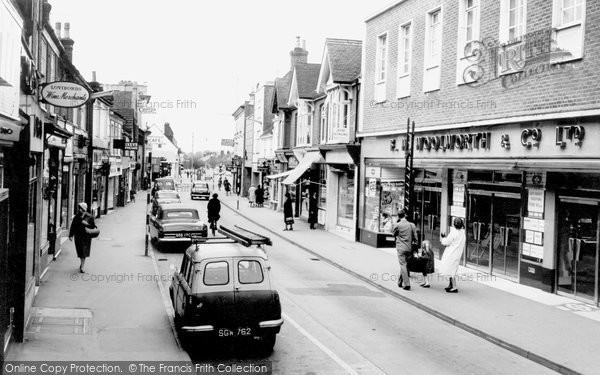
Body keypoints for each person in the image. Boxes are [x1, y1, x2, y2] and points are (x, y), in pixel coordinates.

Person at [439, 217, 467, 293]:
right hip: (457, 253)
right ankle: (450, 285)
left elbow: (446, 242)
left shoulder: (453, 232)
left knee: (451, 270)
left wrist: (443, 238)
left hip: (451, 253)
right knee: (452, 269)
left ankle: (454, 287)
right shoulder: (462, 233)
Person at [392, 209, 418, 290]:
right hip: (409, 248)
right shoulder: (412, 225)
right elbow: (416, 238)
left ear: (398, 216)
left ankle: (407, 284)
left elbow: (393, 234)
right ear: (405, 215)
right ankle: (400, 281)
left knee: (403, 265)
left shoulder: (397, 225)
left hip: (400, 248)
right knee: (405, 264)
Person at [68, 202, 96, 273]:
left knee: (84, 251)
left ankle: (82, 266)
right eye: (79, 208)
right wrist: (71, 235)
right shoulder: (77, 217)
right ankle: (82, 264)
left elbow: (93, 226)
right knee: (81, 252)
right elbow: (73, 226)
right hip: (78, 237)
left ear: (82, 209)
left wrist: (87, 224)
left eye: (79, 208)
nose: (79, 209)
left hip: (86, 236)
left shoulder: (89, 216)